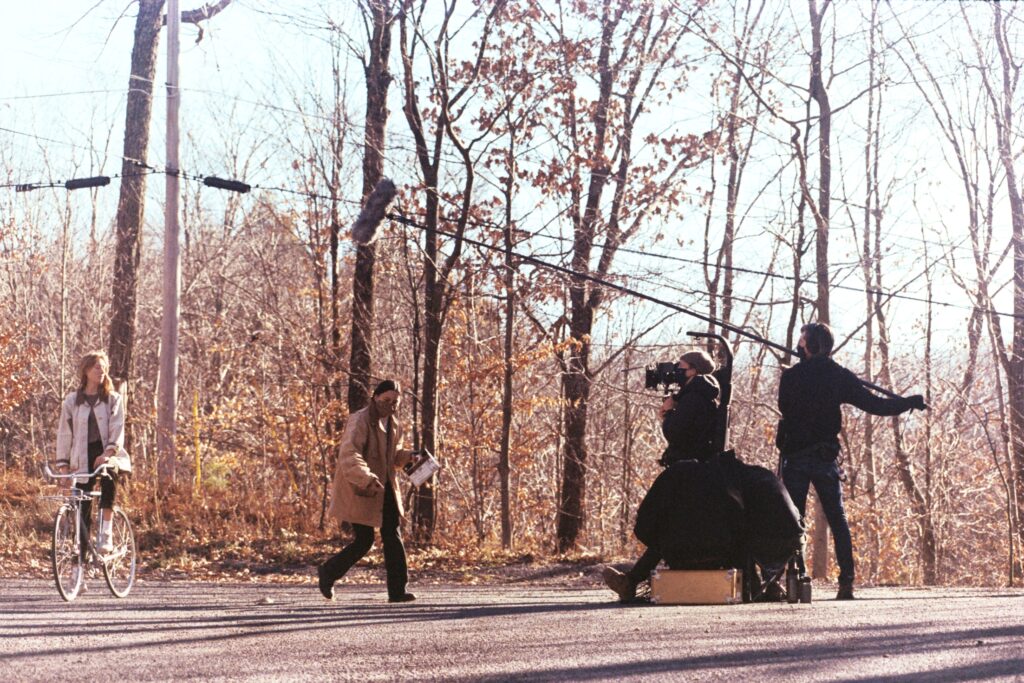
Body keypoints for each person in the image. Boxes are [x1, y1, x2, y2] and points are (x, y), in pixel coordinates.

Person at [777, 322, 926, 600]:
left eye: (802, 341)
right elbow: (876, 405)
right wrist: (907, 402)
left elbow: (784, 407)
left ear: (807, 345)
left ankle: (794, 578)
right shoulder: (838, 376)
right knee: (837, 517)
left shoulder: (792, 377)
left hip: (796, 455)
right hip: (824, 455)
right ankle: (846, 582)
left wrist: (802, 372)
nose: (798, 344)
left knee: (793, 517)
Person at [603, 350, 721, 603]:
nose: (676, 370)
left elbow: (677, 434)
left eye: (681, 366)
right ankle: (633, 579)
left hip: (687, 471)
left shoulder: (694, 399)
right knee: (670, 527)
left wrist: (668, 414)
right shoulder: (700, 395)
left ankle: (632, 580)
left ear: (694, 371)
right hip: (695, 469)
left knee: (665, 524)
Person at [318, 380, 416, 603]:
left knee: (393, 534)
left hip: (385, 487)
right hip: (360, 486)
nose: (390, 406)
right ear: (375, 397)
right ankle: (328, 572)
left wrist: (411, 457)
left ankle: (398, 591)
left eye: (394, 402)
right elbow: (349, 454)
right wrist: (366, 478)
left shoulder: (395, 424)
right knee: (364, 540)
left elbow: (394, 456)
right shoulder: (360, 419)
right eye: (386, 400)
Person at [55, 351, 125, 558]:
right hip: (82, 456)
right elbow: (64, 434)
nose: (101, 371)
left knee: (109, 474)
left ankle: (106, 531)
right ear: (86, 370)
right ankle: (80, 566)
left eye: (103, 367)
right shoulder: (72, 401)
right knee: (82, 508)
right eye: (97, 367)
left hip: (106, 452)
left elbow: (117, 427)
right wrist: (63, 466)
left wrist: (109, 452)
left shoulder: (113, 399)